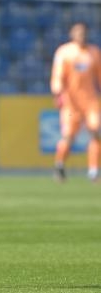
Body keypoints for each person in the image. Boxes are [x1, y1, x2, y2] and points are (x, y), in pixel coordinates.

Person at [50, 22, 101, 182]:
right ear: (72, 35)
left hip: (90, 101)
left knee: (95, 133)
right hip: (71, 102)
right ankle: (59, 165)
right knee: (68, 136)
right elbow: (58, 76)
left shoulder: (94, 53)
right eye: (78, 33)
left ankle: (93, 171)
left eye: (84, 32)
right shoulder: (64, 52)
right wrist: (58, 93)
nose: (82, 35)